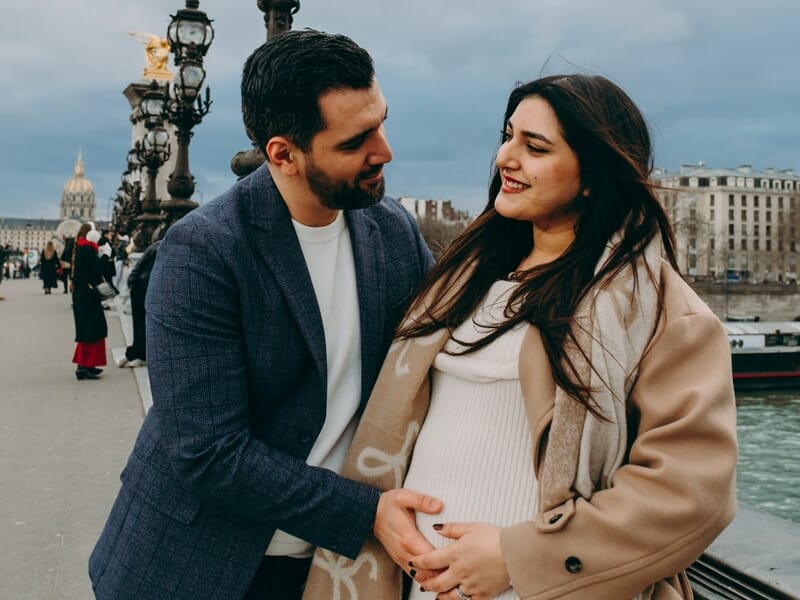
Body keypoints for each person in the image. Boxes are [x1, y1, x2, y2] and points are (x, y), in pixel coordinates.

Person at [302, 74, 738, 600]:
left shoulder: (664, 314)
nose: (506, 158)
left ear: (591, 175)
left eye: (534, 147)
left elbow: (691, 495)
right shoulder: (463, 276)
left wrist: (518, 557)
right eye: (508, 137)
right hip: (418, 581)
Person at [90, 30, 440, 600]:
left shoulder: (391, 230)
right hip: (206, 564)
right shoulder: (202, 252)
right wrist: (367, 512)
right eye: (356, 141)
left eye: (381, 122)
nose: (384, 151)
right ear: (283, 154)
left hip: (331, 564)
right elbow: (208, 451)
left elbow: (446, 342)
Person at [71, 226, 108, 380]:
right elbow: (95, 272)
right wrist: (105, 258)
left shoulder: (81, 248)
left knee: (88, 330)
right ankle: (84, 366)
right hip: (88, 296)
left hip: (82, 294)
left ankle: (87, 364)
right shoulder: (88, 250)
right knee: (92, 330)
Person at [117, 240, 159, 368]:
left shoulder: (154, 247)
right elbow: (139, 267)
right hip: (144, 288)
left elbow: (138, 267)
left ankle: (136, 354)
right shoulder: (158, 248)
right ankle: (135, 354)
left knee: (140, 324)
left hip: (142, 287)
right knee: (144, 325)